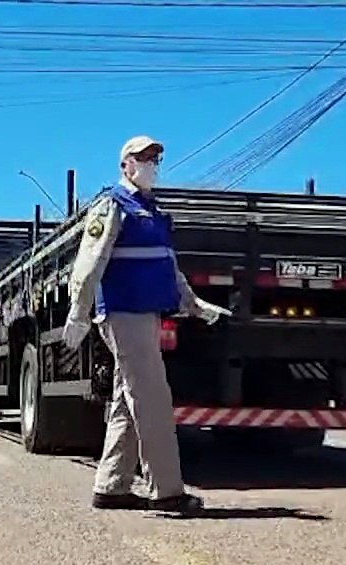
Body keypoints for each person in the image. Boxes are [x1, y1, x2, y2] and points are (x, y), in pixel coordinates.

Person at [62, 135, 230, 514]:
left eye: (156, 159)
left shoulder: (152, 211)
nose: (152, 165)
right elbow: (89, 261)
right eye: (143, 158)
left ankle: (111, 487)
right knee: (152, 399)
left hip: (146, 314)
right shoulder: (112, 204)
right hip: (124, 313)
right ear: (126, 166)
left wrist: (195, 304)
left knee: (128, 398)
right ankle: (167, 491)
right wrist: (79, 309)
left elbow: (167, 266)